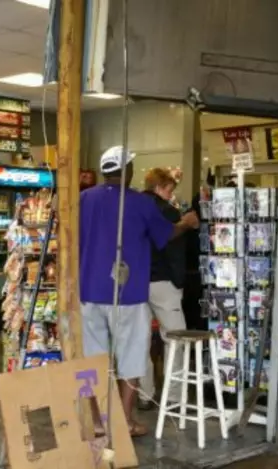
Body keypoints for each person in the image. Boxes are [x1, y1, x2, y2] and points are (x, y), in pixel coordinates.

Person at [79, 146, 200, 437]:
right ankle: (124, 422)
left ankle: (96, 420)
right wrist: (185, 223)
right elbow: (165, 235)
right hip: (128, 293)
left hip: (89, 291)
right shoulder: (139, 203)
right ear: (127, 170)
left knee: (93, 360)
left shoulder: (83, 199)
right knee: (131, 356)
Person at [138, 168, 190, 408]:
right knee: (176, 339)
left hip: (135, 283)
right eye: (169, 190)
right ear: (159, 188)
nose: (170, 195)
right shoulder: (169, 212)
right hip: (163, 283)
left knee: (140, 340)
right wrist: (179, 282)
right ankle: (173, 396)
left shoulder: (132, 208)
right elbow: (175, 252)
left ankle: (143, 394)